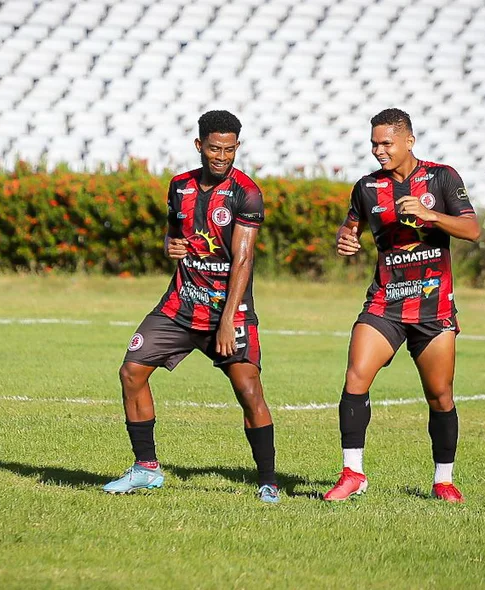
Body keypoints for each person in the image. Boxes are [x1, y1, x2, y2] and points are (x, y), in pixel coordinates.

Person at [104, 110, 279, 503]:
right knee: (131, 371)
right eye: (215, 148)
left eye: (230, 150)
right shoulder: (179, 185)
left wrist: (227, 319)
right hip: (180, 305)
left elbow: (244, 260)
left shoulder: (246, 192)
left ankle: (268, 480)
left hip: (228, 310)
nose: (222, 156)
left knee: (248, 389)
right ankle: (146, 469)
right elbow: (173, 232)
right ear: (199, 146)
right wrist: (171, 246)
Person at [323, 108, 480, 503]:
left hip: (433, 307)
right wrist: (346, 237)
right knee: (356, 377)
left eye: (386, 143)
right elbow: (352, 225)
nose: (378, 150)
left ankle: (443, 480)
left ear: (408, 140)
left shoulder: (441, 176)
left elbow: (472, 230)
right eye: (374, 143)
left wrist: (431, 215)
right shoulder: (366, 187)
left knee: (439, 395)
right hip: (386, 302)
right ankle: (352, 473)